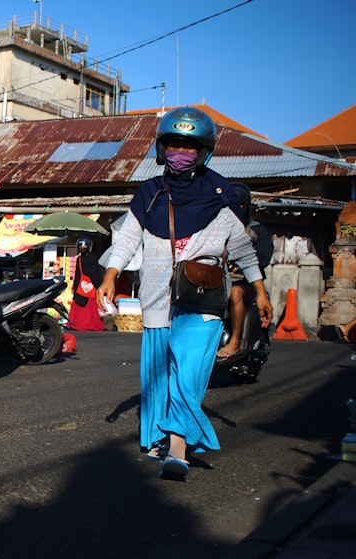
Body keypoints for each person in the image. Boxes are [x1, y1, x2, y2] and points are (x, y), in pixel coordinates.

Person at [96, 107, 272, 480]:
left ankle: (178, 449)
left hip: (202, 302)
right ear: (161, 148)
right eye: (174, 144)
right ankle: (162, 437)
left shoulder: (220, 194)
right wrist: (110, 275)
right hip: (158, 300)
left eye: (190, 147)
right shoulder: (149, 193)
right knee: (159, 376)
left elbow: (242, 248)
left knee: (187, 375)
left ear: (204, 151)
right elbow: (127, 240)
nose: (181, 152)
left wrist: (259, 290)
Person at [217, 183, 273, 358]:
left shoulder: (257, 231)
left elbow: (262, 258)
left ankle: (235, 342)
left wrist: (240, 265)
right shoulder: (217, 228)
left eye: (240, 205)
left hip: (245, 284)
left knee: (236, 292)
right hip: (218, 281)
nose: (236, 209)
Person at [68, 235, 105, 331]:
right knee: (91, 311)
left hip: (80, 289)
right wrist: (99, 286)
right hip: (91, 288)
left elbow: (77, 276)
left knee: (80, 311)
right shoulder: (93, 258)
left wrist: (75, 290)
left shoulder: (79, 259)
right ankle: (91, 326)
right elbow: (95, 275)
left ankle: (77, 325)